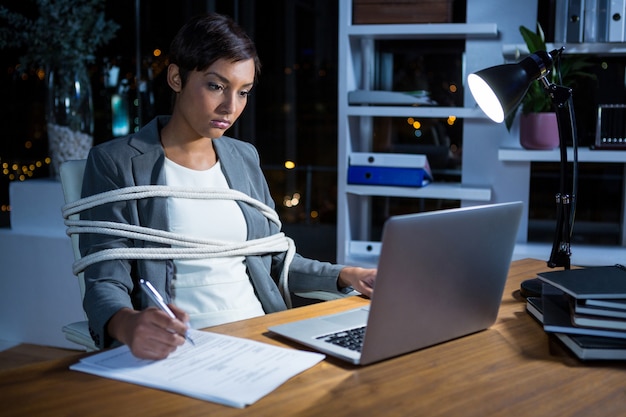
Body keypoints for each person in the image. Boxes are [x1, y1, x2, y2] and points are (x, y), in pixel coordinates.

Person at [78, 12, 377, 360]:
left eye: (243, 92)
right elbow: (105, 279)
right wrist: (128, 324)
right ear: (176, 77)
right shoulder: (116, 163)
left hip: (263, 335)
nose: (230, 107)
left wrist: (348, 274)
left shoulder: (243, 158)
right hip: (184, 344)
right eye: (216, 86)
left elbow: (274, 261)